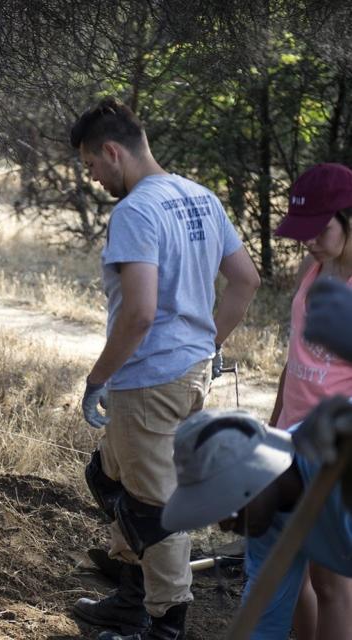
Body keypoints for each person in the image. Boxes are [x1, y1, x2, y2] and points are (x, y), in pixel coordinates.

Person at [69, 97, 261, 640]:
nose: (93, 178)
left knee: (155, 509)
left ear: (112, 151)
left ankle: (163, 624)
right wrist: (209, 341)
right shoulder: (200, 196)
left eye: (91, 166)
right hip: (190, 370)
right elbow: (245, 281)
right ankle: (130, 596)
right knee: (110, 477)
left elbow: (140, 312)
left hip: (148, 378)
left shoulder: (135, 211)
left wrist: (96, 378)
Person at [161, 404, 352, 640]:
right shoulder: (268, 521)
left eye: (226, 505)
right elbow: (265, 621)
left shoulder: (338, 468)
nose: (225, 526)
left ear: (254, 474)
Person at [265, 162, 352, 639]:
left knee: (332, 578)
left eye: (320, 229)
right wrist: (277, 420)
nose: (309, 241)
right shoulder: (312, 268)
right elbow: (295, 353)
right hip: (292, 436)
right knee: (289, 564)